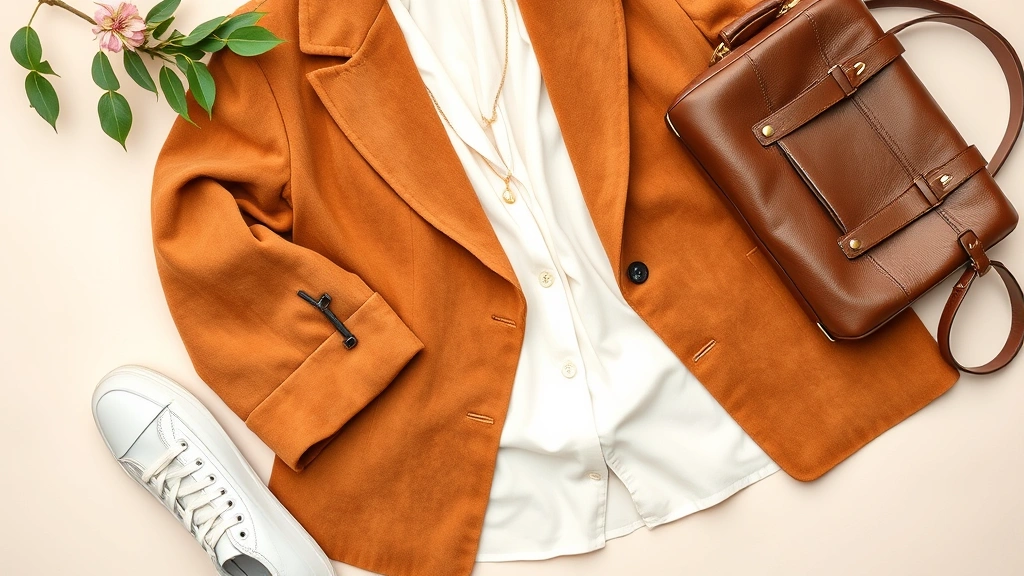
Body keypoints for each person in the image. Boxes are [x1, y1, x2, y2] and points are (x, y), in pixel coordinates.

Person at [149, 0, 959, 574]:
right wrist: (345, 369)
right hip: (466, 445)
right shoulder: (269, 49)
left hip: (737, 370)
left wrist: (881, 206)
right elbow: (199, 226)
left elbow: (786, 34)